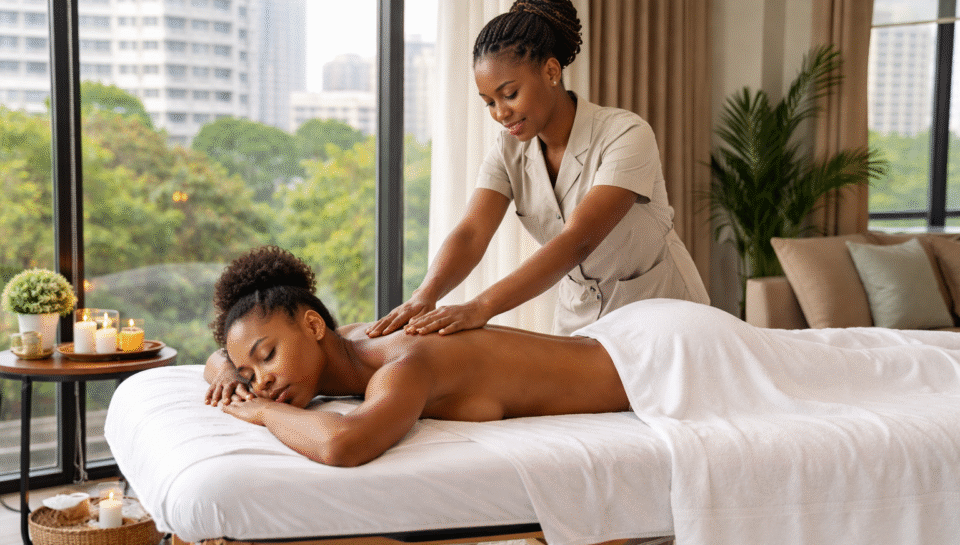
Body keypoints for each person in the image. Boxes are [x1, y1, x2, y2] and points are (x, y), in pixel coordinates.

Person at [365, 0, 708, 339]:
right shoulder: (508, 150)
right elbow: (472, 233)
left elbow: (578, 239)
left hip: (663, 314)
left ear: (551, 72)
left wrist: (480, 307)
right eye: (489, 102)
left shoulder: (626, 134)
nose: (500, 112)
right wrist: (426, 294)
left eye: (509, 94)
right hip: (581, 321)